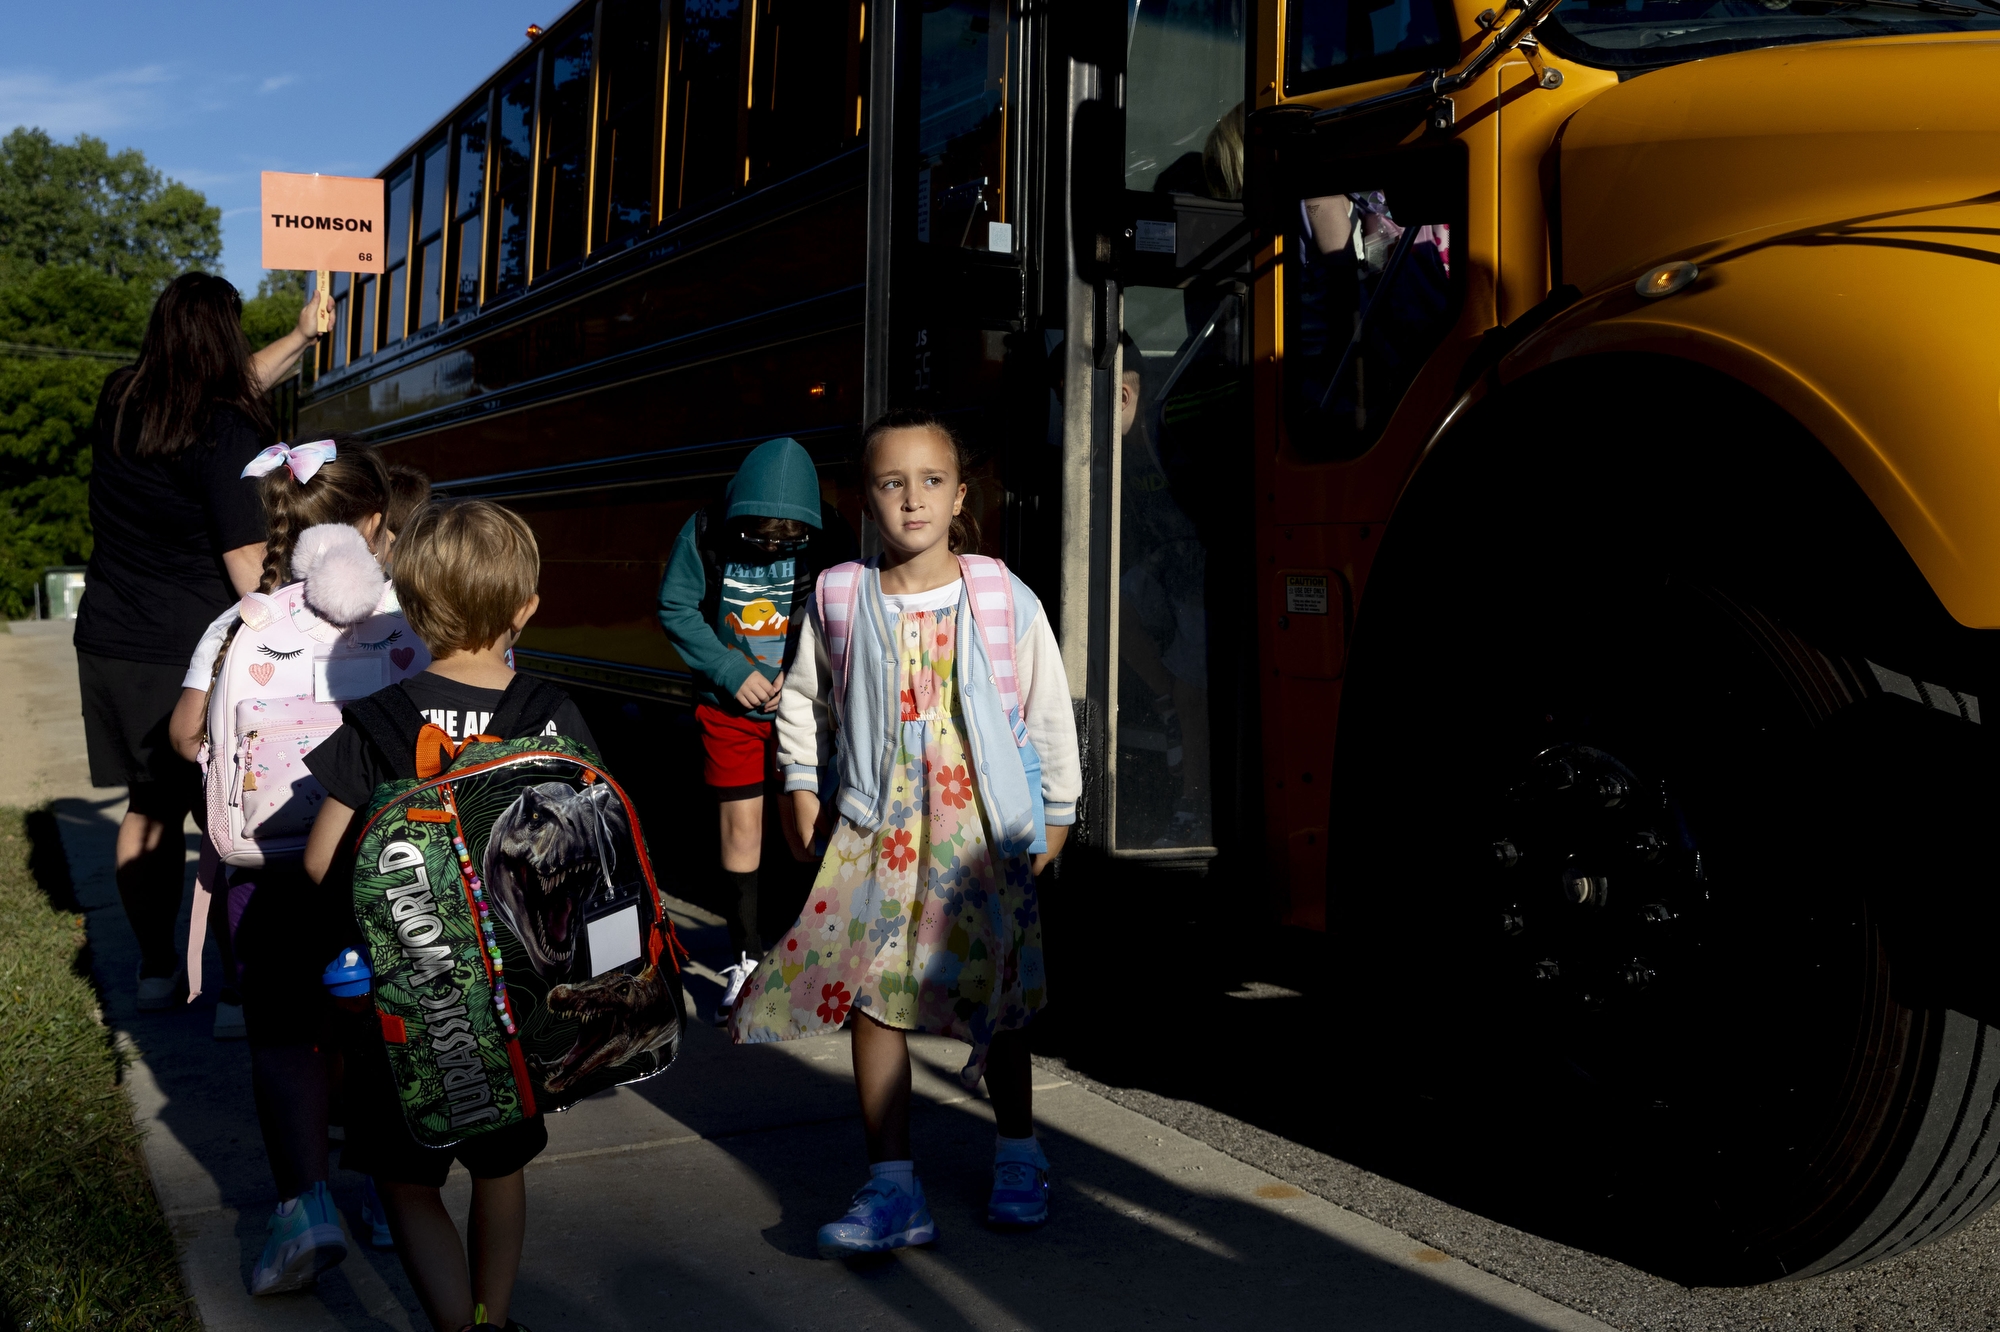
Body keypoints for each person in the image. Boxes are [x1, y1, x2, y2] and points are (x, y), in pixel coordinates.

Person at [731, 409, 1081, 1255]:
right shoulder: (840, 597)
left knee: (998, 996)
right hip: (878, 832)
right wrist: (802, 786)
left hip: (979, 833)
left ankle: (1019, 1152)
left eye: (931, 482)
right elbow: (804, 703)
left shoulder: (998, 593)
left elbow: (1046, 710)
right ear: (864, 499)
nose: (912, 500)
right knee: (870, 995)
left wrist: (1059, 813)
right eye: (892, 483)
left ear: (961, 496)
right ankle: (894, 1188)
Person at [303, 500, 592, 1332]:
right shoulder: (550, 711)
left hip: (407, 1006)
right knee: (500, 1172)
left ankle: (454, 1328)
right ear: (525, 608)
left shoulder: (380, 719)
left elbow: (324, 860)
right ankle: (493, 1319)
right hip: (514, 1007)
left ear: (412, 611)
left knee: (406, 1180)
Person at [164, 440, 403, 1292]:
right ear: (373, 522)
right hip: (390, 869)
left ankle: (305, 1207)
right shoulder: (404, 612)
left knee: (284, 1036)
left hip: (267, 870)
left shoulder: (240, 624)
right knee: (382, 1025)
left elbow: (187, 733)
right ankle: (390, 1192)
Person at [75, 271, 326, 1009]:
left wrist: (304, 336)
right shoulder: (226, 429)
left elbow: (221, 384)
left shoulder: (121, 399)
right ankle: (231, 994)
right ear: (224, 335)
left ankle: (157, 969)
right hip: (197, 659)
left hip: (111, 644)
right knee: (226, 822)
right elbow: (248, 564)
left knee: (147, 810)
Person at [655, 437, 852, 1016]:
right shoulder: (706, 532)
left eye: (787, 539)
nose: (770, 549)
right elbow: (677, 608)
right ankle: (746, 957)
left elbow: (848, 604)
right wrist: (728, 669)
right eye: (759, 537)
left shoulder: (832, 537)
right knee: (742, 831)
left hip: (808, 709)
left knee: (808, 829)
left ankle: (812, 954)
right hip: (731, 710)